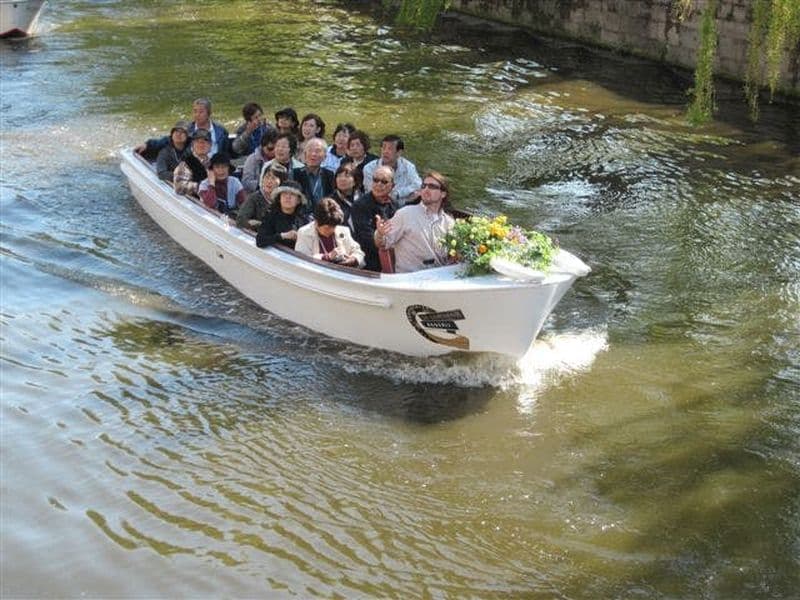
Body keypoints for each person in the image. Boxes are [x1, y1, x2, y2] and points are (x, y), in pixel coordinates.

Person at [374, 171, 455, 273]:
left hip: (438, 278)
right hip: (409, 279)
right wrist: (380, 234)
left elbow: (454, 255)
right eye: (424, 186)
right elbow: (382, 244)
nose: (426, 189)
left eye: (432, 186)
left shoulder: (449, 223)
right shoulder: (405, 214)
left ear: (443, 194)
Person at [136, 98, 229, 158]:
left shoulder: (220, 131)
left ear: (209, 113)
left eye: (201, 112)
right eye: (195, 111)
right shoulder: (188, 129)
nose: (197, 115)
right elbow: (168, 140)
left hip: (216, 168)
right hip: (193, 168)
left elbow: (226, 152)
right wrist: (148, 144)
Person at [351, 165, 398, 272]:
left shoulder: (394, 205)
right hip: (368, 260)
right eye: (376, 180)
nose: (379, 184)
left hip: (392, 256)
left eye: (384, 181)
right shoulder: (360, 205)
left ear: (392, 185)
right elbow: (366, 239)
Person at [296, 198, 365, 268]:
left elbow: (358, 252)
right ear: (316, 223)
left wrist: (352, 260)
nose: (331, 230)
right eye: (327, 228)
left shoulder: (343, 231)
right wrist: (327, 257)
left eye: (334, 227)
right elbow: (302, 260)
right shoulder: (304, 233)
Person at [362, 134, 422, 205]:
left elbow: (417, 185)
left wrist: (398, 193)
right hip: (376, 206)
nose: (385, 152)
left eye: (390, 148)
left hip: (404, 206)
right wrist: (405, 197)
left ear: (399, 152)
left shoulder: (408, 167)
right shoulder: (369, 168)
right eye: (383, 148)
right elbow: (374, 193)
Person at [255, 181, 309, 249]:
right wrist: (283, 236)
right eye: (284, 193)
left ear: (298, 200)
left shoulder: (303, 220)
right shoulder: (271, 217)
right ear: (279, 198)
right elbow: (260, 241)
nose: (288, 197)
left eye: (292, 194)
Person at [236, 163, 287, 229]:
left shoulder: (284, 201)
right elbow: (240, 220)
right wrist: (260, 224)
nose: (269, 181)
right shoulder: (255, 198)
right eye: (267, 177)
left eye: (273, 178)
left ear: (281, 183)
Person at [292, 137, 335, 212]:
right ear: (305, 155)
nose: (313, 154)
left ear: (325, 157)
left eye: (318, 151)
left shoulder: (329, 175)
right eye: (310, 150)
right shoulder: (295, 174)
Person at [173, 128, 213, 196]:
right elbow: (179, 187)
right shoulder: (185, 165)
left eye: (205, 141)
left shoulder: (214, 162)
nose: (201, 144)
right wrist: (203, 186)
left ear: (210, 145)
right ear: (192, 145)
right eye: (197, 141)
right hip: (196, 202)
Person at [241, 128, 278, 193]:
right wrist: (264, 184)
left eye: (277, 148)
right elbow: (246, 183)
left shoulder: (283, 159)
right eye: (270, 148)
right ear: (263, 146)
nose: (274, 151)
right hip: (258, 194)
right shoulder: (252, 159)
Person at [329, 163, 360, 232]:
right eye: (339, 176)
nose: (342, 179)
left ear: (355, 181)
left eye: (347, 176)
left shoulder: (363, 199)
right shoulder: (330, 202)